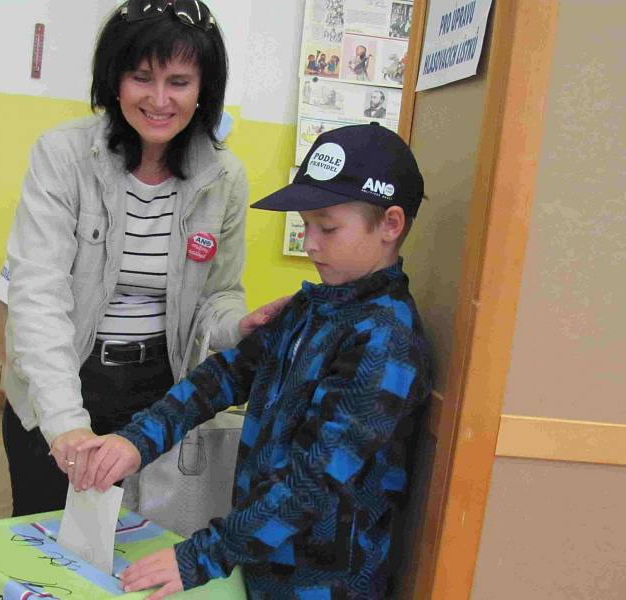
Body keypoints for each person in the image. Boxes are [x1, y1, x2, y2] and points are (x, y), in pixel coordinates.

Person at [78, 123, 432, 599]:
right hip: (262, 568)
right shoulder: (311, 309)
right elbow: (220, 378)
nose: (310, 244)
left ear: (390, 225)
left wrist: (201, 556)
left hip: (326, 587)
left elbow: (314, 481)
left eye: (327, 228)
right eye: (306, 226)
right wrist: (137, 440)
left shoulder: (387, 344)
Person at [2, 0, 288, 517]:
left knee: (137, 550)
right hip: (63, 377)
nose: (159, 100)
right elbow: (37, 295)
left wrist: (239, 325)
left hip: (159, 391)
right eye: (142, 78)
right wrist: (67, 422)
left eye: (179, 81)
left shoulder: (223, 178)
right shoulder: (62, 157)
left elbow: (218, 296)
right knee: (48, 545)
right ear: (115, 81)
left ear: (203, 91)